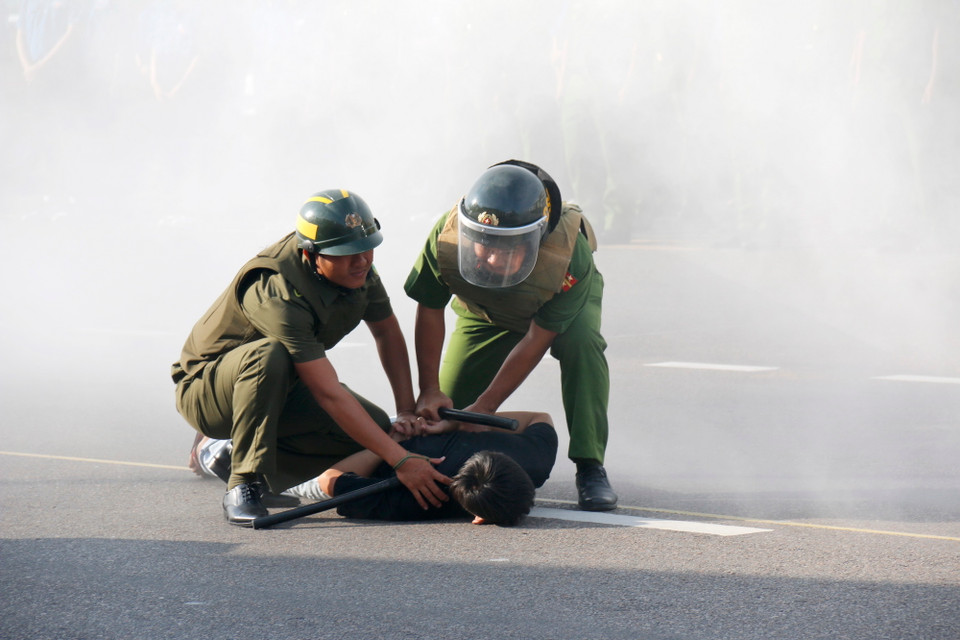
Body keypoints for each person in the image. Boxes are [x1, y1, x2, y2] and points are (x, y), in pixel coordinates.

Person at [171, 189, 450, 526]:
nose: (361, 260)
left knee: (375, 427)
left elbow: (387, 332)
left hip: (279, 388)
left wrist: (405, 410)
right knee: (267, 356)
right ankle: (242, 483)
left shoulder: (356, 270)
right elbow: (327, 392)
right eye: (347, 253)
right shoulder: (277, 290)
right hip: (209, 392)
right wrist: (402, 460)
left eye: (366, 249)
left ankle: (249, 463)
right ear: (311, 254)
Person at [404, 160, 618, 511]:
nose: (489, 258)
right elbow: (429, 308)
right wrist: (429, 389)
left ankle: (590, 465)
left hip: (552, 306)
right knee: (452, 417)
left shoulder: (568, 254)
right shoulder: (446, 237)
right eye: (482, 243)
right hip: (486, 312)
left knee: (583, 345)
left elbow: (537, 337)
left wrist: (487, 407)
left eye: (506, 248)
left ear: (535, 237)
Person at [319, 411, 558, 525]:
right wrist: (453, 422)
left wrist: (391, 448)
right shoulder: (416, 503)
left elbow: (539, 418)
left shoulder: (536, 459)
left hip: (374, 441)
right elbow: (329, 479)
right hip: (391, 434)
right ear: (479, 518)